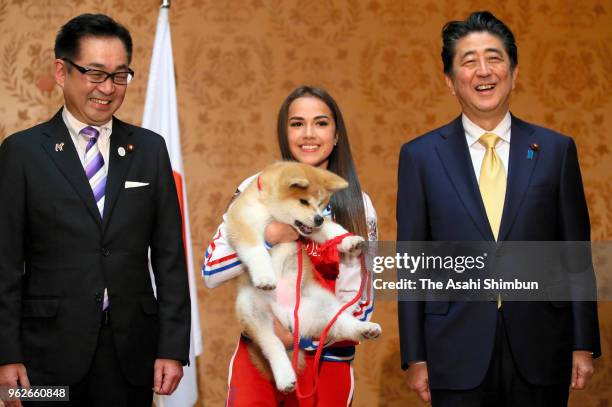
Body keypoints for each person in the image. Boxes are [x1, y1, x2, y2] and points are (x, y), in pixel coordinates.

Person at [396, 11, 601, 407]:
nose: (483, 71)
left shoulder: (555, 151)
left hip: (542, 344)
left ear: (514, 71)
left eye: (494, 58)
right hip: (453, 348)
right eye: (468, 61)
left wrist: (583, 342)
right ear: (450, 81)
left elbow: (576, 253)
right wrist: (415, 355)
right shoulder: (420, 156)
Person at [0, 14, 190, 407]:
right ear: (61, 71)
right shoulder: (22, 153)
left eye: (120, 76)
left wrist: (172, 346)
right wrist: (6, 355)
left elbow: (170, 258)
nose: (108, 88)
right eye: (95, 73)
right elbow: (4, 264)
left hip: (131, 356)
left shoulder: (150, 150)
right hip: (42, 359)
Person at [203, 85, 377, 406]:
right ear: (285, 133)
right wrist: (269, 237)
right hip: (261, 358)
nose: (308, 134)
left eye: (321, 123)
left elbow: (362, 301)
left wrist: (300, 336)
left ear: (336, 135)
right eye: (297, 123)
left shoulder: (357, 205)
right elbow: (212, 270)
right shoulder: (255, 188)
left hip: (327, 361)